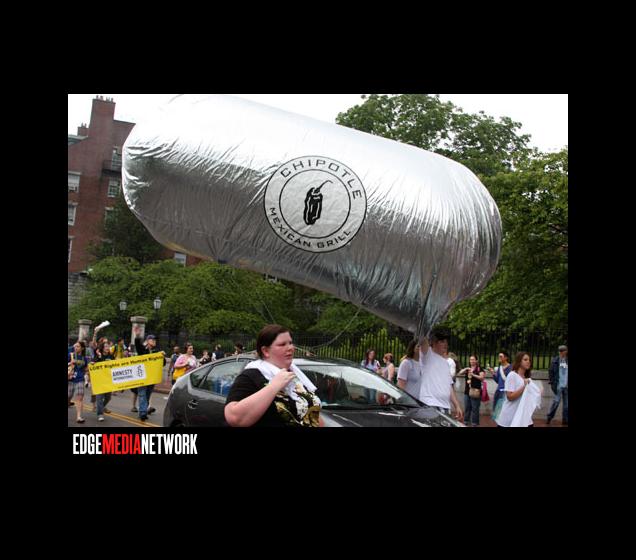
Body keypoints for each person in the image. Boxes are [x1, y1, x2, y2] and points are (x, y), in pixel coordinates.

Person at [224, 324, 322, 427]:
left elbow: (313, 414)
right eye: (282, 344)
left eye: (290, 343)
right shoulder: (251, 376)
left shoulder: (296, 374)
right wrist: (274, 386)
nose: (290, 348)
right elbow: (234, 417)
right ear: (266, 351)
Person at [418, 328, 464, 422]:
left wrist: (457, 405)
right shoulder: (427, 355)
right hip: (430, 406)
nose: (446, 344)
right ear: (434, 342)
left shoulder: (446, 363)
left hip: (445, 407)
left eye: (446, 342)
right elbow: (422, 337)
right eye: (442, 341)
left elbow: (449, 386)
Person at [496, 352, 540, 428]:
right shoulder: (512, 375)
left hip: (523, 417)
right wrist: (524, 386)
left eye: (529, 360)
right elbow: (510, 397)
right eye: (525, 360)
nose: (528, 362)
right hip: (510, 417)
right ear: (519, 361)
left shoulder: (526, 377)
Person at [133, 331, 166, 421]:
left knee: (147, 395)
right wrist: (137, 336)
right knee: (142, 394)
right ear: (147, 341)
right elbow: (138, 345)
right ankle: (143, 413)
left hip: (151, 378)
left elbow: (162, 364)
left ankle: (143, 411)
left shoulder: (156, 351)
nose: (154, 341)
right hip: (142, 376)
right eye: (152, 339)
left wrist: (162, 357)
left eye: (155, 340)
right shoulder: (143, 349)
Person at [459, 355, 485, 427]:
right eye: (470, 359)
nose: (471, 361)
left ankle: (474, 423)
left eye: (473, 359)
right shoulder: (468, 369)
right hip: (467, 391)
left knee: (475, 409)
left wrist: (473, 374)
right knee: (467, 408)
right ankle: (466, 421)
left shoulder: (479, 369)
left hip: (475, 391)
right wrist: (466, 369)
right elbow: (460, 373)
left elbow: (482, 378)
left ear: (476, 361)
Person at [68, 341, 90, 423]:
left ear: (82, 348)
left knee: (79, 398)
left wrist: (91, 367)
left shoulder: (84, 358)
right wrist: (70, 363)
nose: (75, 348)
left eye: (78, 346)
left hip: (80, 379)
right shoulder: (70, 355)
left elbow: (85, 369)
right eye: (75, 346)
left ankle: (79, 417)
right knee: (69, 396)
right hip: (70, 379)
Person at [93, 340, 115, 422]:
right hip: (99, 379)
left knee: (108, 398)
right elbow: (94, 363)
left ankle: (100, 407)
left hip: (108, 379)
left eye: (108, 346)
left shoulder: (111, 356)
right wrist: (98, 357)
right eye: (105, 346)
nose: (107, 348)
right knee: (99, 397)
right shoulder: (98, 355)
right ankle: (100, 414)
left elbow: (115, 365)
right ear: (102, 348)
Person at [547, 345, 568, 425]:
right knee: (556, 402)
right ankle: (549, 417)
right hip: (558, 385)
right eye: (560, 351)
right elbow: (551, 371)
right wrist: (552, 381)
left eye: (562, 351)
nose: (561, 352)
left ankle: (565, 420)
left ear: (566, 351)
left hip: (566, 385)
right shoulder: (555, 360)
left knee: (566, 405)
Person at [487, 351, 512, 421]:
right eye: (499, 356)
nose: (499, 358)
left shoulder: (511, 368)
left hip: (506, 392)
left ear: (506, 358)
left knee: (504, 411)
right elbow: (497, 381)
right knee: (497, 410)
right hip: (498, 391)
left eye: (501, 356)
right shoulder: (500, 368)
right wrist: (492, 373)